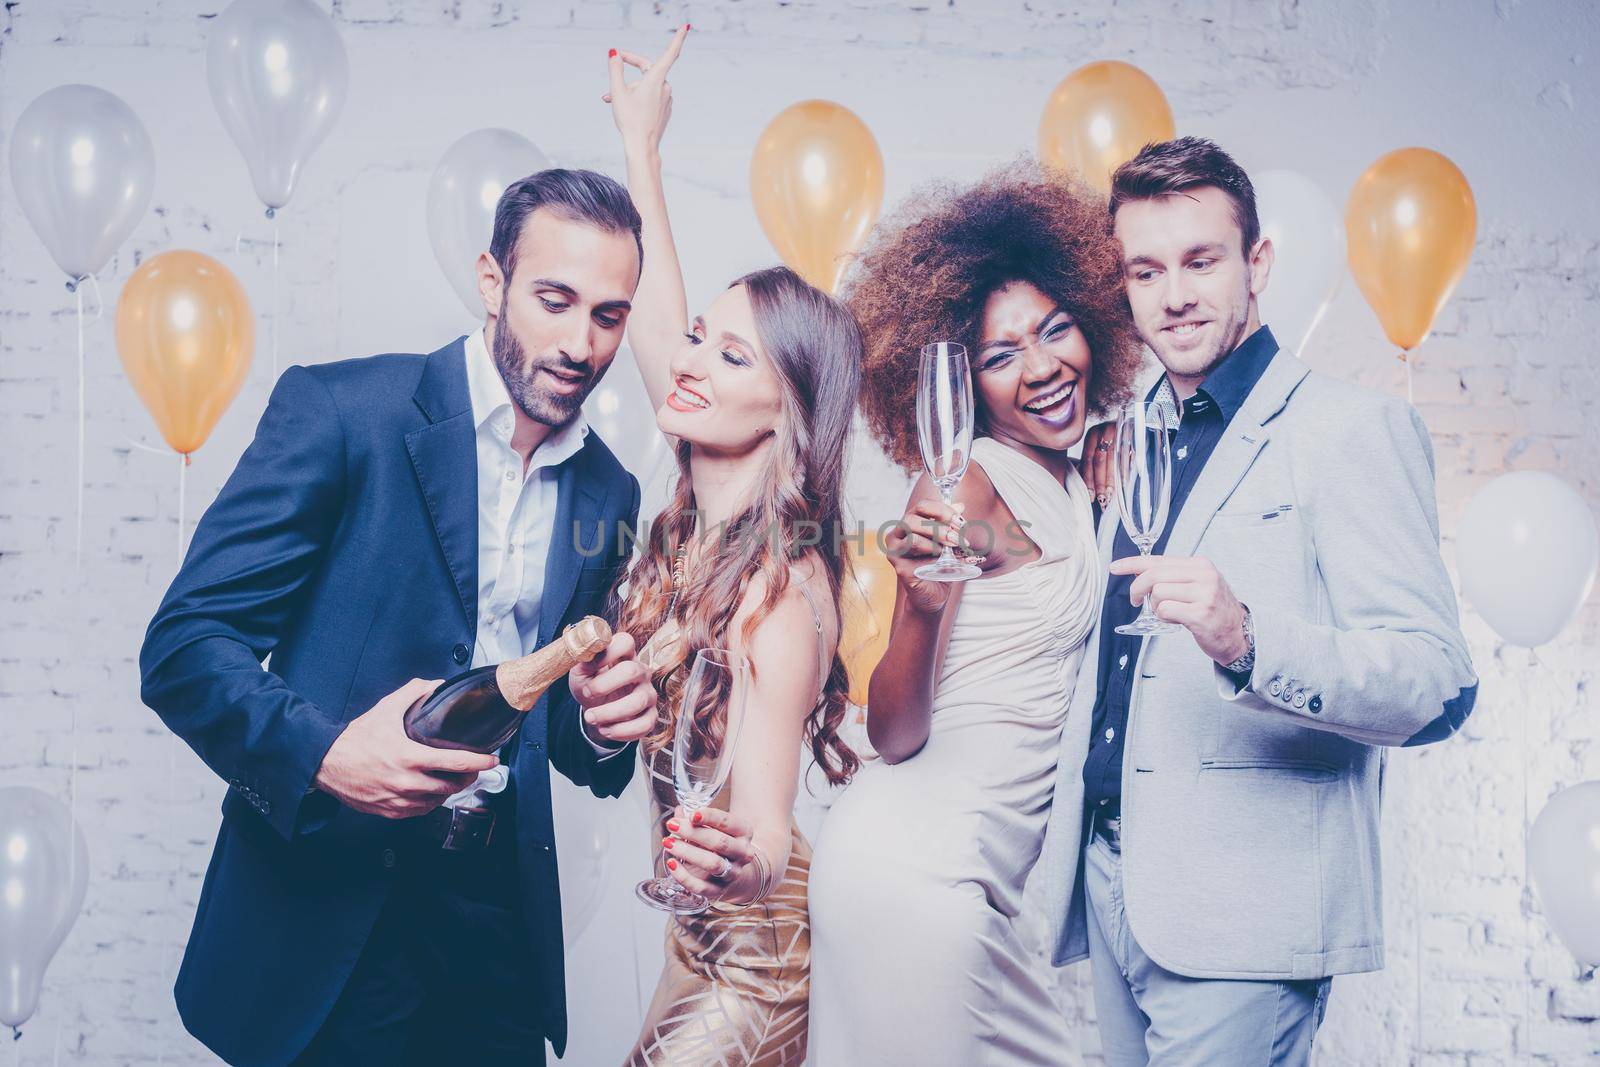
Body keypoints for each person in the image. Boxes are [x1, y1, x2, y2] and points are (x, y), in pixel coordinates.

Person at [139, 168, 660, 1066]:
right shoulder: (344, 412)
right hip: (327, 906)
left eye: (609, 315)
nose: (581, 342)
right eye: (555, 300)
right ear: (491, 282)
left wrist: (608, 728)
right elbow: (184, 647)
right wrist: (327, 755)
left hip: (495, 921)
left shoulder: (609, 487)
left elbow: (565, 731)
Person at [1038, 137, 1480, 1065]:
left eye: (1202, 260)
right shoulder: (1128, 442)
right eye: (1146, 270)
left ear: (1258, 264)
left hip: (1247, 914)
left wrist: (1246, 638)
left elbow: (1438, 684)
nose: (1176, 294)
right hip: (1118, 890)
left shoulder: (1354, 431)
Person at [805, 161, 1143, 1065]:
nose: (1039, 368)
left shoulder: (1081, 475)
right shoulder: (964, 485)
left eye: (1055, 330)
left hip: (977, 883)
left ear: (1094, 326)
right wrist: (917, 610)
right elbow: (894, 732)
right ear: (959, 378)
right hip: (918, 869)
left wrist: (1107, 492)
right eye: (999, 355)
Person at [603, 28, 863, 1066]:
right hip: (692, 940)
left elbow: (761, 820)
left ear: (784, 409)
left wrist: (734, 858)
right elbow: (657, 322)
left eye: (730, 352)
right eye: (700, 337)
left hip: (755, 958)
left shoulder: (778, 590)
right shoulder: (700, 518)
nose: (691, 359)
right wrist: (640, 149)